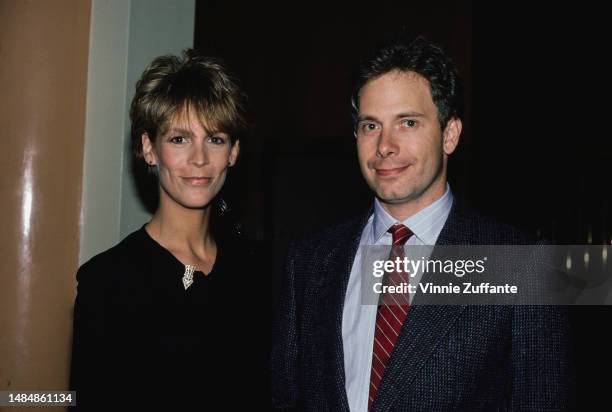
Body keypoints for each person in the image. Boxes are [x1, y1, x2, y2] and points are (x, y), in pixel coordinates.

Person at [270, 36, 571, 411]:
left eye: (407, 123)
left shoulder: (520, 265)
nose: (384, 146)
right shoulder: (309, 261)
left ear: (450, 135)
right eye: (370, 126)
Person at [70, 50, 271, 410]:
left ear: (234, 152)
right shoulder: (108, 282)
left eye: (215, 138)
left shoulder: (259, 271)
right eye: (179, 139)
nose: (199, 158)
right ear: (149, 148)